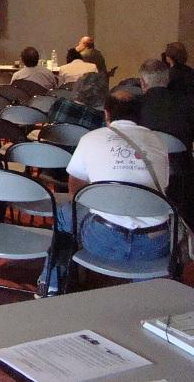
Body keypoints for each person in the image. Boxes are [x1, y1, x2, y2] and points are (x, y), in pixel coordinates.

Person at [39, 90, 170, 295]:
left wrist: (98, 198)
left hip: (103, 240)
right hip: (154, 243)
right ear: (140, 115)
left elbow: (75, 187)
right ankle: (146, 294)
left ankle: (50, 283)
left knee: (65, 212)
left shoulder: (91, 138)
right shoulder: (159, 141)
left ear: (106, 114)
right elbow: (163, 187)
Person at [138, 58, 194, 224]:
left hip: (145, 173)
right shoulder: (187, 103)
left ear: (142, 82)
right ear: (167, 79)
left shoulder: (135, 106)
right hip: (182, 173)